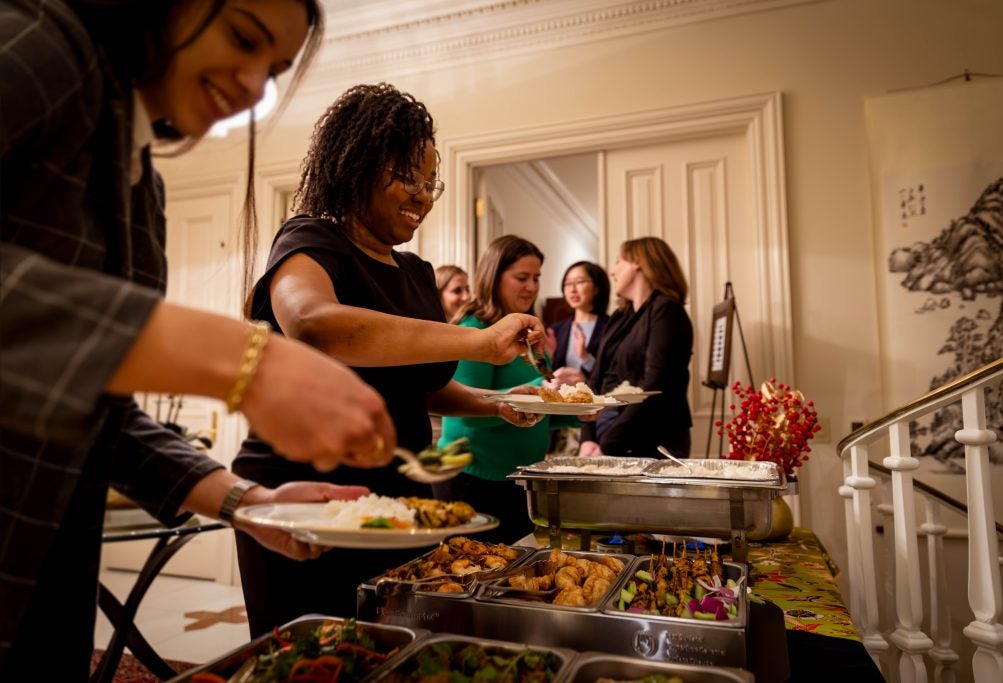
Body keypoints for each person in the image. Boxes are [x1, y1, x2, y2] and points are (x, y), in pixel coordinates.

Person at [0, 1, 400, 678]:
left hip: (40, 562)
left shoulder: (141, 189)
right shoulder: (43, 45)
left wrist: (249, 501)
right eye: (242, 37)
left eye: (273, 70)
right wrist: (245, 360)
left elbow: (102, 413)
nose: (254, 86)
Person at [231, 83, 545, 636]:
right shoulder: (311, 240)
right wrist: (475, 342)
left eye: (431, 182)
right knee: (313, 657)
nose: (423, 195)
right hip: (312, 496)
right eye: (408, 175)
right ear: (358, 166)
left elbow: (414, 386)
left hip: (401, 493)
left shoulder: (418, 275)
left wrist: (496, 404)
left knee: (391, 651)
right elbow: (313, 325)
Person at [435, 235, 578, 544]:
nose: (532, 286)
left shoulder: (528, 332)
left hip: (515, 479)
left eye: (537, 278)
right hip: (473, 479)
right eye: (521, 278)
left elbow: (531, 409)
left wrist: (577, 412)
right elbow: (466, 411)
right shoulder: (475, 329)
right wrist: (544, 387)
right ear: (494, 277)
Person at [580, 237, 694, 458]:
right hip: (606, 436)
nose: (612, 271)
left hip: (651, 438)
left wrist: (608, 445)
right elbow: (596, 379)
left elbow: (655, 385)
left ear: (638, 262)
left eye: (618, 261)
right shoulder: (619, 316)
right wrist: (588, 437)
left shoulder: (666, 311)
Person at [546, 261, 611, 454]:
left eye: (580, 281)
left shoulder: (610, 327)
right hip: (560, 419)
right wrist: (548, 357)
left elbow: (611, 375)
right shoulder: (556, 329)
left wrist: (585, 357)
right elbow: (548, 379)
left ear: (597, 287)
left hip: (594, 417)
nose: (572, 289)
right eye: (567, 283)